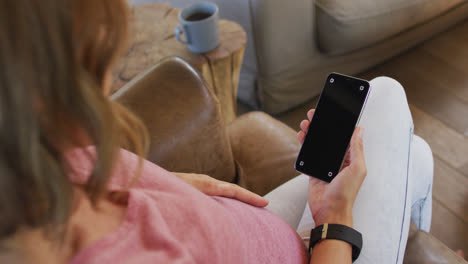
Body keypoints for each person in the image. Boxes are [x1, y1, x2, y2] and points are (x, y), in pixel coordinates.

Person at [0, 0, 435, 263]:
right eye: (101, 56)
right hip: (321, 250)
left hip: (263, 232)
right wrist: (335, 219)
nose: (112, 71)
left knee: (411, 155)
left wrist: (181, 188)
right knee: (390, 103)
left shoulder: (38, 156)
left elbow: (108, 181)